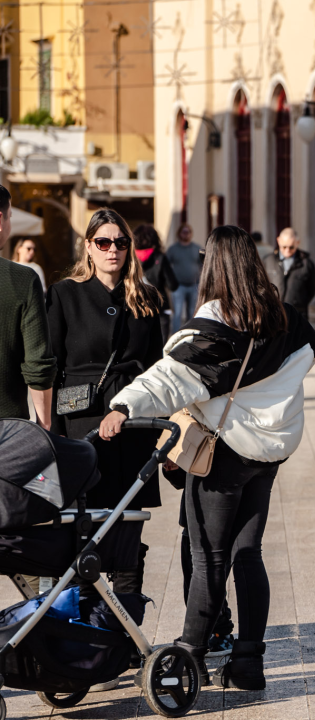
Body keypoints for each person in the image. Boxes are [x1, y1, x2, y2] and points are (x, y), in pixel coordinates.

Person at [101, 225, 315, 689]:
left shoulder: (217, 319)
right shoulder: (281, 316)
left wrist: (123, 405)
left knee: (208, 558)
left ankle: (190, 655)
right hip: (267, 456)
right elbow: (311, 349)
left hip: (224, 455)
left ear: (214, 264)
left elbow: (171, 377)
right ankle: (249, 662)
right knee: (248, 555)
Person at [46, 208, 163, 685]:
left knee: (128, 533)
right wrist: (52, 435)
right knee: (84, 533)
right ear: (88, 247)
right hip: (81, 429)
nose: (113, 250)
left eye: (120, 242)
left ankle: (124, 639)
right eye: (103, 242)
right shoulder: (64, 295)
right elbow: (51, 366)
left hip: (133, 429)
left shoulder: (146, 298)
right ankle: (84, 638)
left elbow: (157, 370)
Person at [0, 186, 55, 426]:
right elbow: (38, 364)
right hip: (7, 427)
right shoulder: (22, 279)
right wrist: (44, 425)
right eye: (10, 216)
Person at [133, 224, 178, 343]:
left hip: (137, 307)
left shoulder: (131, 258)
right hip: (160, 308)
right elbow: (173, 285)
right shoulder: (160, 257)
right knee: (160, 345)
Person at [263, 227, 315, 321]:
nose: (287, 250)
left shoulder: (306, 263)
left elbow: (312, 289)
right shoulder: (268, 261)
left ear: (297, 242)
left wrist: (299, 302)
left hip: (297, 315)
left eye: (291, 247)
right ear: (278, 241)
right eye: (284, 247)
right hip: (273, 314)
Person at [167, 223, 201, 331]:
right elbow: (165, 266)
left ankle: (190, 334)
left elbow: (203, 265)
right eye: (184, 232)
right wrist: (170, 282)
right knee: (177, 314)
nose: (186, 234)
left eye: (188, 232)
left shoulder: (197, 248)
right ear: (179, 233)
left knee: (192, 313)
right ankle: (175, 335)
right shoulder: (173, 249)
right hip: (178, 286)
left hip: (194, 286)